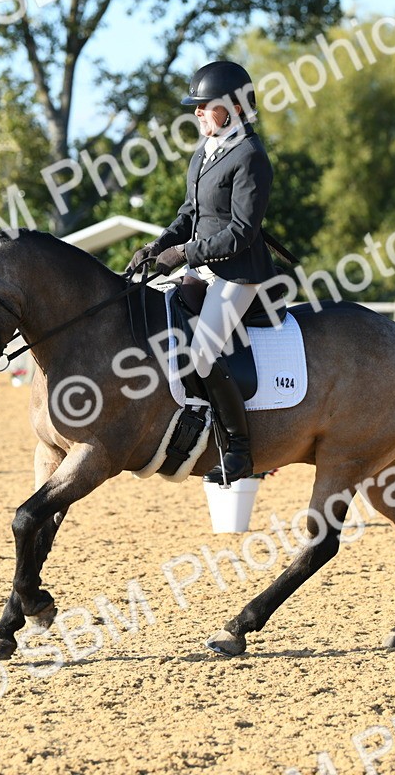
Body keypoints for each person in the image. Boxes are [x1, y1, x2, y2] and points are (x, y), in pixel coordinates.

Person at [127, 60, 276, 484]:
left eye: (204, 106)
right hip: (203, 266)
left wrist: (186, 253)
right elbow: (189, 212)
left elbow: (242, 233)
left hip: (238, 274)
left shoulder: (250, 157)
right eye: (196, 106)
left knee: (202, 352)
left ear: (233, 107)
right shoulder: (206, 152)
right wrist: (158, 245)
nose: (196, 113)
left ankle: (240, 451)